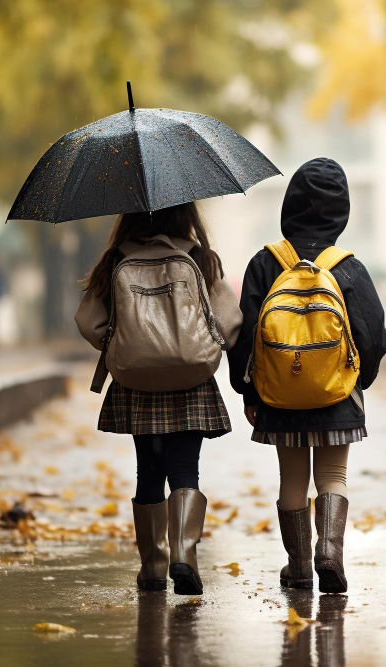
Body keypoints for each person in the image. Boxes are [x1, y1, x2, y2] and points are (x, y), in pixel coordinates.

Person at [228, 158, 386, 594]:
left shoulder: (266, 264)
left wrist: (246, 389)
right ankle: (330, 554)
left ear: (289, 205)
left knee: (292, 480)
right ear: (342, 212)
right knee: (333, 478)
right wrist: (359, 380)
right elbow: (373, 334)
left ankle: (299, 567)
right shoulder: (348, 267)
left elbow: (244, 334)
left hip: (280, 396)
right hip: (337, 395)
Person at [76, 204, 242, 595]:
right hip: (191, 381)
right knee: (186, 469)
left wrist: (121, 343)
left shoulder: (116, 259)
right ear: (185, 213)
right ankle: (184, 555)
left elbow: (88, 321)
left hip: (137, 383)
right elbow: (229, 321)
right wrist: (205, 343)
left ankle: (152, 567)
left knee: (148, 471)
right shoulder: (201, 258)